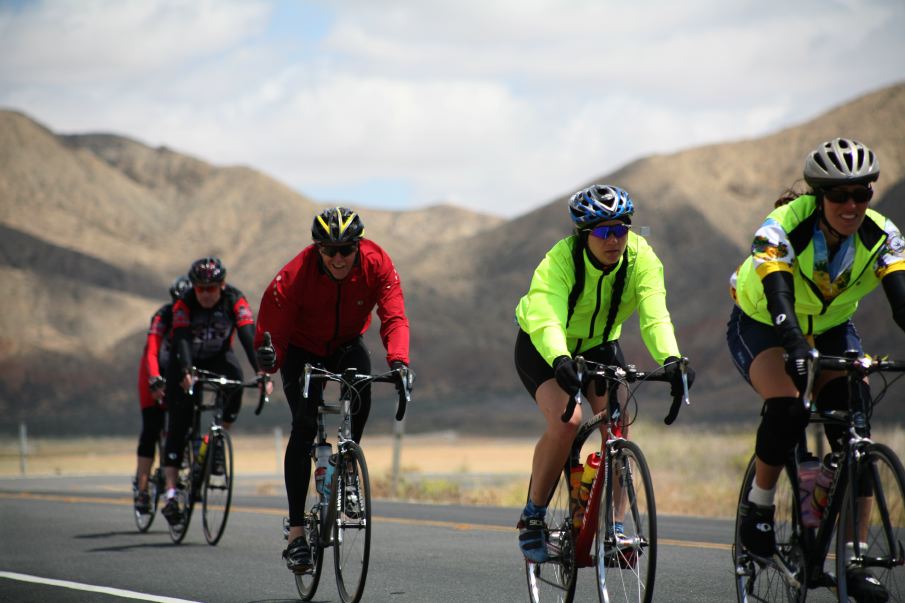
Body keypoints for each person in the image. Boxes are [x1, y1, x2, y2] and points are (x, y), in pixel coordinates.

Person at [728, 138, 902, 601]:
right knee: (787, 407)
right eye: (839, 196)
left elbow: (902, 301)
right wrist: (793, 348)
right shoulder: (781, 228)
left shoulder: (882, 235)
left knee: (856, 434)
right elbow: (778, 298)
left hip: (828, 326)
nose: (851, 205)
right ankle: (759, 508)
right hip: (764, 321)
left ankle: (857, 559)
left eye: (861, 194)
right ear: (818, 197)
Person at [513, 184, 694, 563]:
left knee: (619, 422)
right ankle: (533, 516)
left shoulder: (641, 258)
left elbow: (655, 314)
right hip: (546, 345)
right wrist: (560, 357)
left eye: (621, 229)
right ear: (584, 235)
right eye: (602, 231)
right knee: (568, 421)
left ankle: (614, 527)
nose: (614, 240)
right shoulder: (560, 260)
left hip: (599, 344)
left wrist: (673, 359)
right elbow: (546, 315)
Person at [253, 206, 411, 573]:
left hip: (345, 344)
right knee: (305, 425)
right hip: (301, 349)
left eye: (346, 249)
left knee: (362, 387)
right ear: (317, 249)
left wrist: (400, 362)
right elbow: (270, 336)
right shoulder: (294, 276)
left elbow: (394, 315)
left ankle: (349, 469)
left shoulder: (377, 263)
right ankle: (295, 534)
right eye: (329, 250)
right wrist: (269, 358)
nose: (338, 258)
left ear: (358, 246)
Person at [160, 257, 273, 524]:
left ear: (222, 285)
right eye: (201, 288)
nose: (206, 294)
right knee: (180, 419)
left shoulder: (235, 299)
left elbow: (248, 334)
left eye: (212, 288)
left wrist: (261, 371)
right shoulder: (184, 302)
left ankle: (218, 438)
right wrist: (187, 371)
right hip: (186, 359)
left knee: (236, 380)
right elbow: (182, 339)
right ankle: (172, 494)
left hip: (218, 356)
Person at [132, 274, 191, 513]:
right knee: (151, 428)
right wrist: (154, 379)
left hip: (179, 378)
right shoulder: (162, 316)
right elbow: (152, 351)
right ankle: (143, 489)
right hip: (154, 374)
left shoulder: (197, 319)